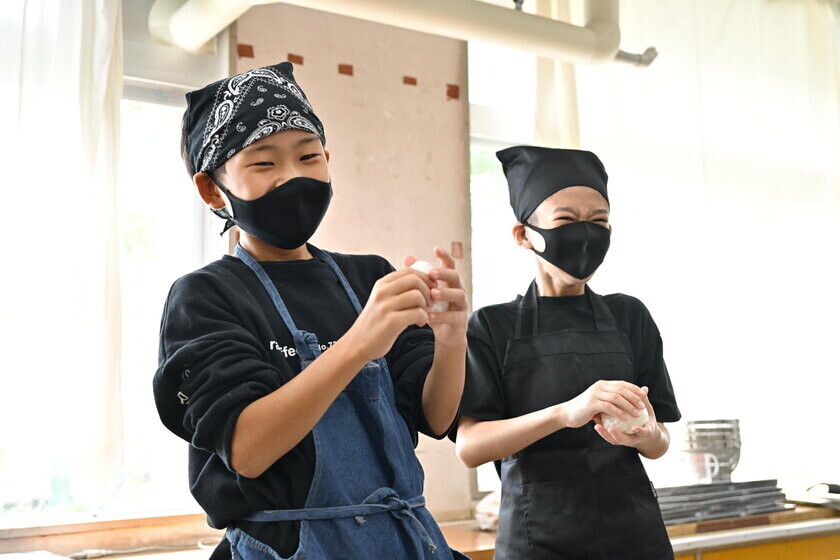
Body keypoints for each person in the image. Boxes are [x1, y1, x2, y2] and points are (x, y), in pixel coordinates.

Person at [153, 61, 470, 560]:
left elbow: (436, 415)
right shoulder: (206, 297)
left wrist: (453, 339)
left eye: (309, 156)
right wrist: (359, 343)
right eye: (264, 163)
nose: (293, 177)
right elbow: (249, 451)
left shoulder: (368, 277)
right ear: (213, 189)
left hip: (403, 540)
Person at [455, 146, 680, 559]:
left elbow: (660, 439)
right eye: (567, 220)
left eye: (599, 221)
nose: (586, 234)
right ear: (524, 235)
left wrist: (647, 435)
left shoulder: (629, 316)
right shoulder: (493, 326)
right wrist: (565, 413)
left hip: (634, 538)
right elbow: (470, 446)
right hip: (538, 540)